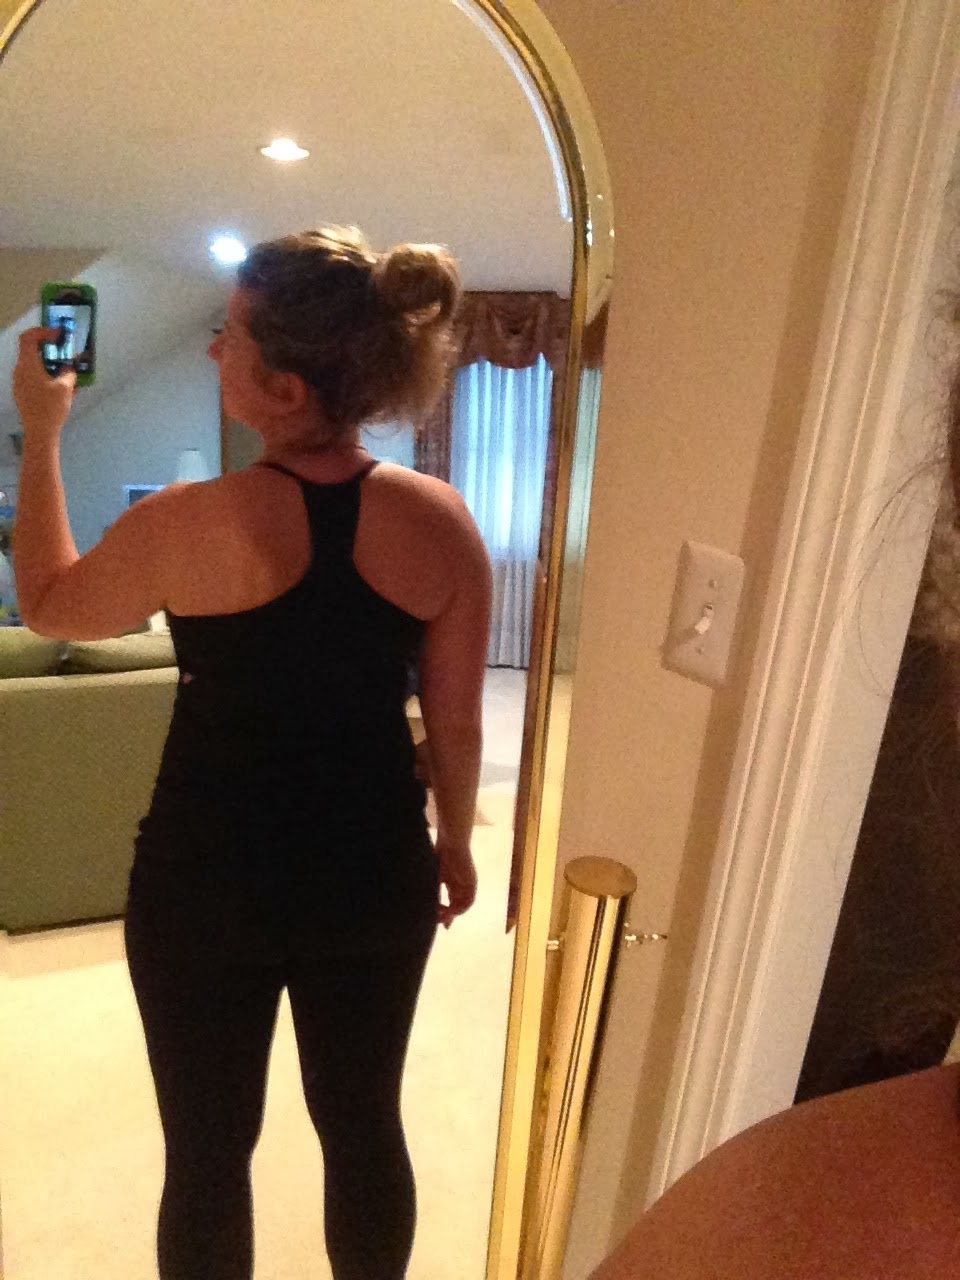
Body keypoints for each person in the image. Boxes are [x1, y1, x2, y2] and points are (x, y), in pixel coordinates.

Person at [11, 226, 492, 1280]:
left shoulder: (185, 521)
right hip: (372, 874)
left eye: (227, 333)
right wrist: (455, 840)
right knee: (364, 1125)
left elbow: (44, 602)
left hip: (204, 883)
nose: (210, 348)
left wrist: (41, 434)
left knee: (206, 1154)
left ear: (283, 389)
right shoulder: (442, 521)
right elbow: (457, 726)